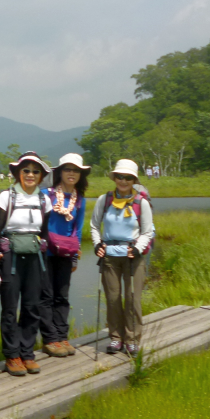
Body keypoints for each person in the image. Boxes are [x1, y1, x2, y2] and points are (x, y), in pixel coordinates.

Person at [0, 150, 51, 376]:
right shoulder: (7, 197)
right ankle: (12, 355)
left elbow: (44, 234)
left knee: (32, 307)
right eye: (26, 170)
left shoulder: (44, 199)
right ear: (18, 173)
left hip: (34, 258)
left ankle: (28, 353)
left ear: (42, 175)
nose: (31, 174)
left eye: (36, 171)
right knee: (10, 308)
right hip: (10, 257)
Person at [89, 159, 154, 357]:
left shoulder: (141, 203)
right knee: (113, 298)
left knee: (133, 299)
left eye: (127, 177)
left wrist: (137, 249)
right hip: (109, 256)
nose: (123, 181)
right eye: (119, 176)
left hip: (133, 256)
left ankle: (132, 339)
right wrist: (97, 245)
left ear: (134, 180)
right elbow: (94, 226)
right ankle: (116, 338)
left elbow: (147, 232)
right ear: (114, 178)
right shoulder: (104, 199)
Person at [39, 153, 90, 358]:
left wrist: (75, 256)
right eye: (67, 169)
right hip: (46, 252)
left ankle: (62, 336)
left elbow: (78, 230)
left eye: (75, 170)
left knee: (62, 296)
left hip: (67, 253)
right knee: (46, 296)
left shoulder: (79, 200)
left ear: (80, 174)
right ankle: (50, 339)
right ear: (59, 172)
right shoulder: (46, 194)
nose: (71, 173)